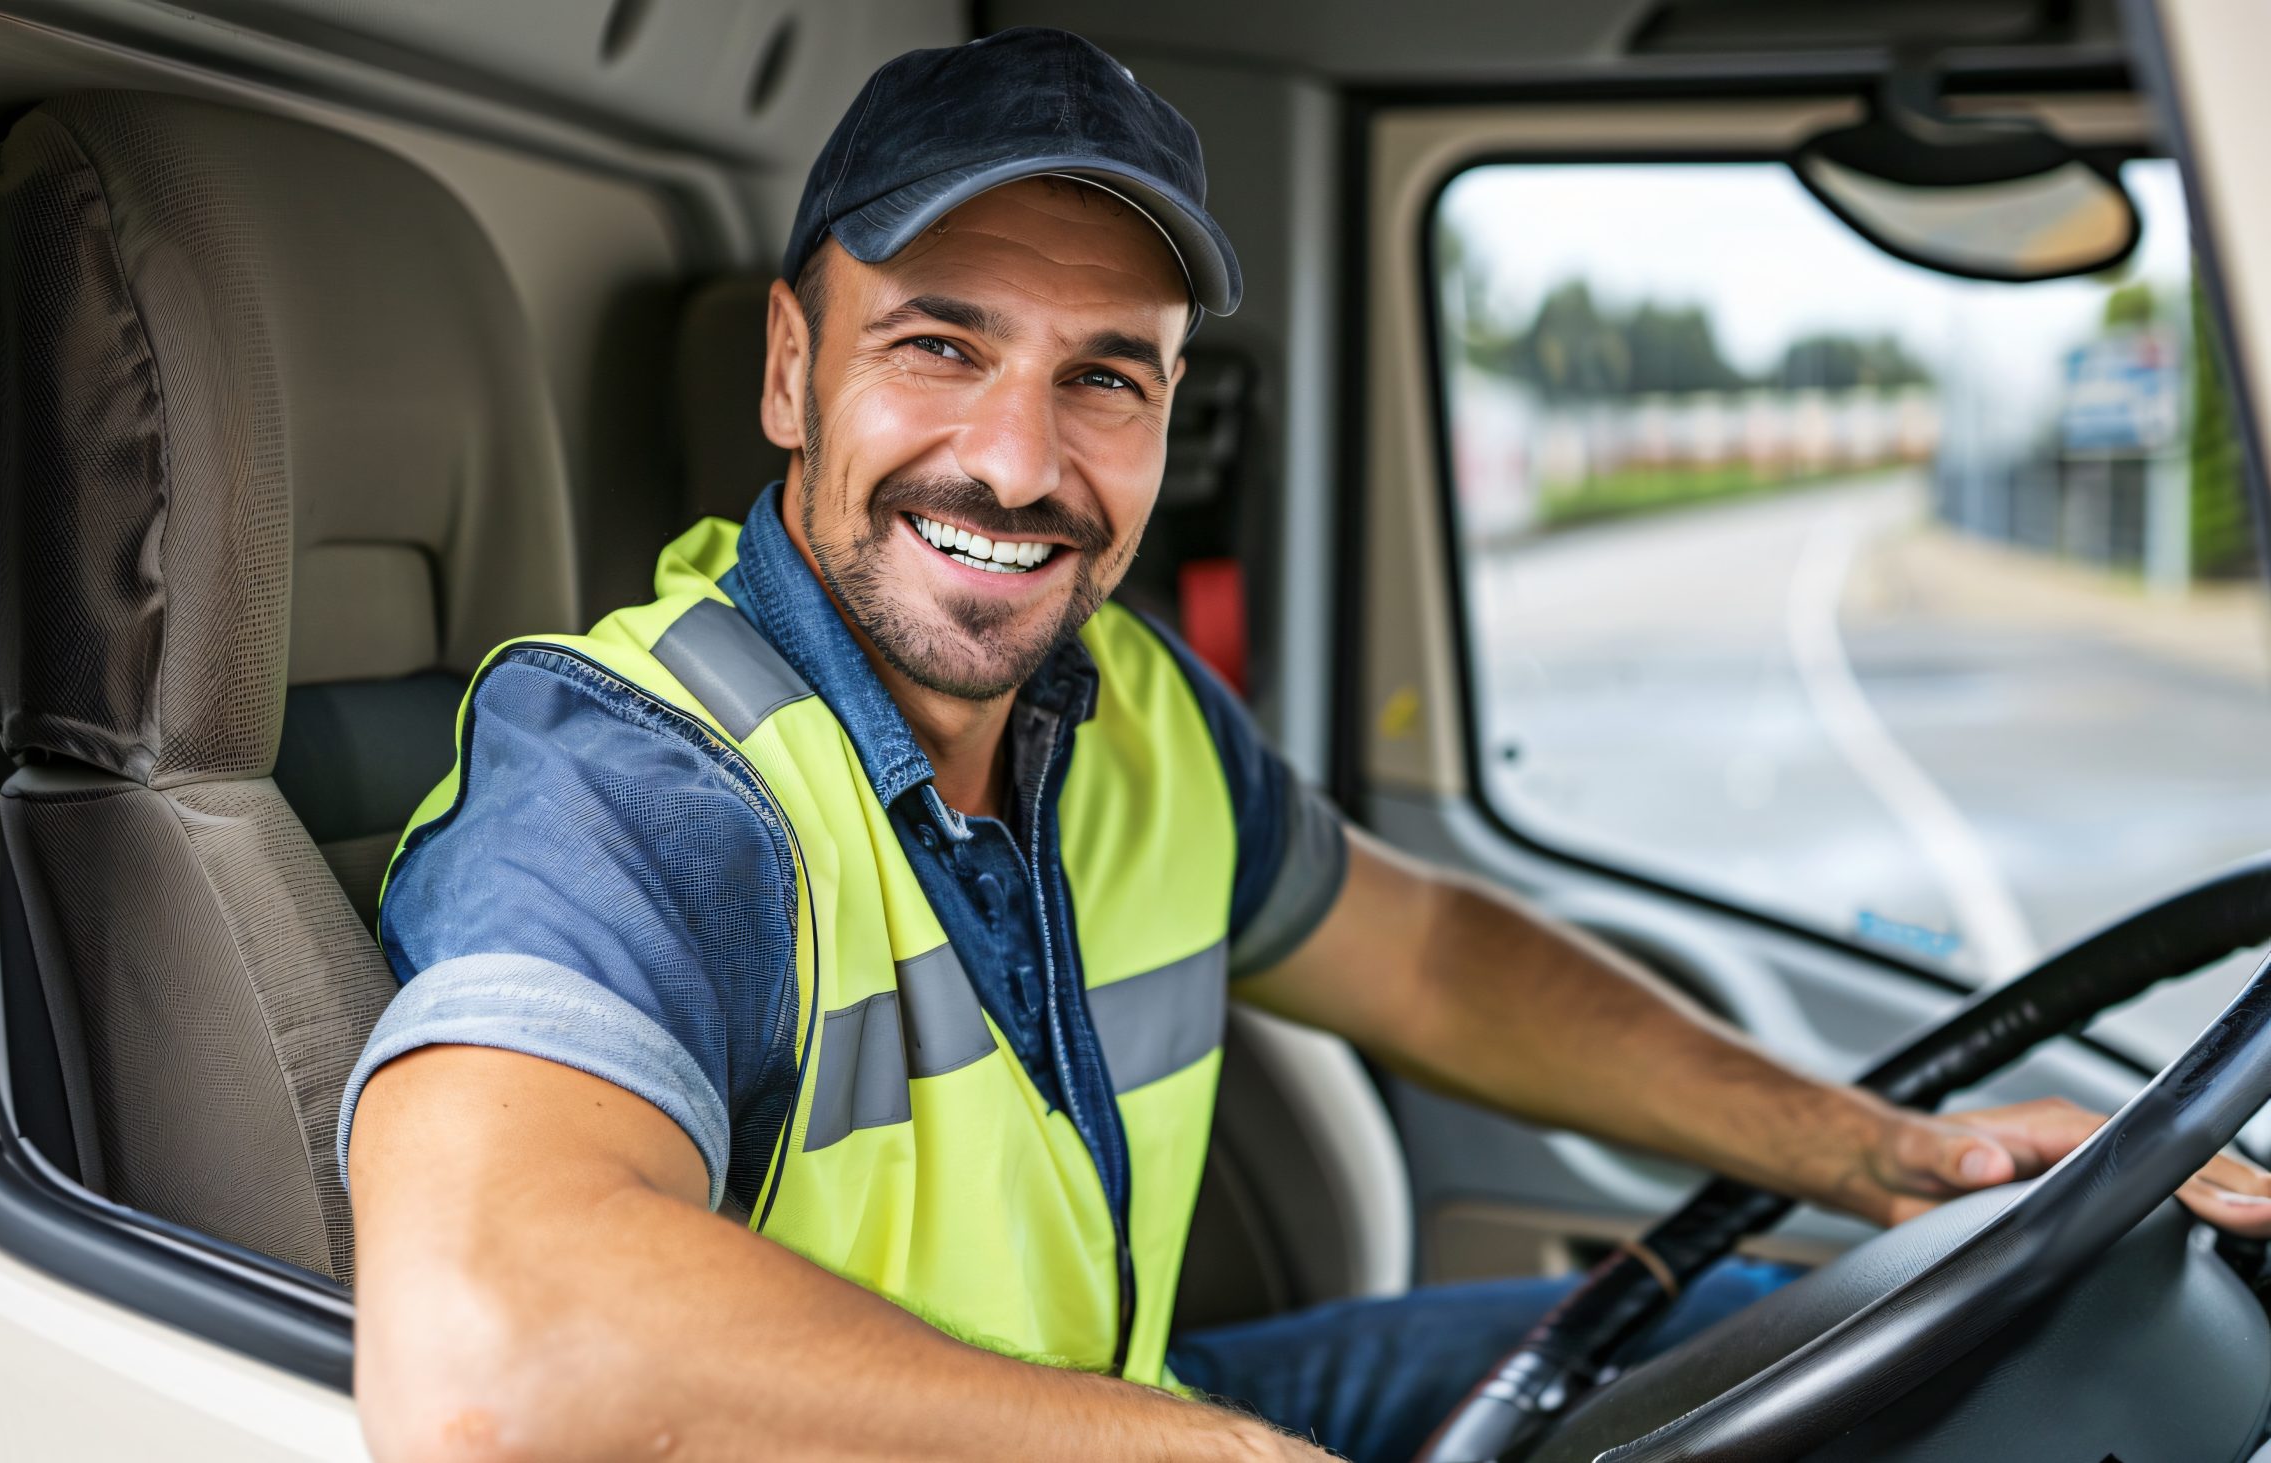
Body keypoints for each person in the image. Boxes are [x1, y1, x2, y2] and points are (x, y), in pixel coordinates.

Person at [339, 27, 2271, 1462]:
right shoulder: (637, 771)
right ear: (790, 366)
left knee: (1833, 1351)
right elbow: (499, 1348)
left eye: (1106, 377)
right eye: (941, 343)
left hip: (1130, 1411)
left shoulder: (1134, 713)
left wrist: (1896, 1163)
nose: (1018, 463)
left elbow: (1432, 952)